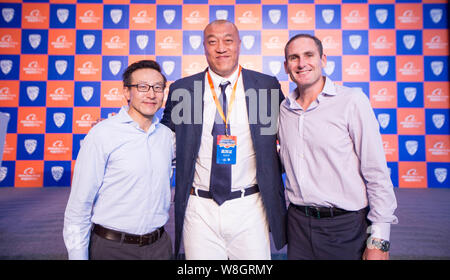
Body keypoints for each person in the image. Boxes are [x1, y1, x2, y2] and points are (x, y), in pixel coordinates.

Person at [161, 20, 287, 259]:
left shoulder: (266, 87)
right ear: (204, 47)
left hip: (250, 205)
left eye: (228, 40)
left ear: (239, 44)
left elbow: (291, 136)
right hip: (199, 208)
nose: (221, 48)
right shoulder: (183, 89)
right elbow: (162, 141)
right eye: (212, 41)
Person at [279, 34, 398, 260]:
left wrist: (380, 240)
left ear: (323, 59)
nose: (302, 63)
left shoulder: (352, 101)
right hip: (297, 227)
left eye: (309, 55)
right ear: (286, 66)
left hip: (345, 227)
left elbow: (376, 171)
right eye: (294, 58)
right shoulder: (284, 109)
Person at [63, 60, 174, 260]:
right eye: (142, 87)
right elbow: (80, 204)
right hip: (113, 249)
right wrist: (77, 255)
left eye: (158, 88)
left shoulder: (166, 136)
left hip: (160, 248)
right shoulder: (102, 134)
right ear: (126, 92)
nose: (151, 94)